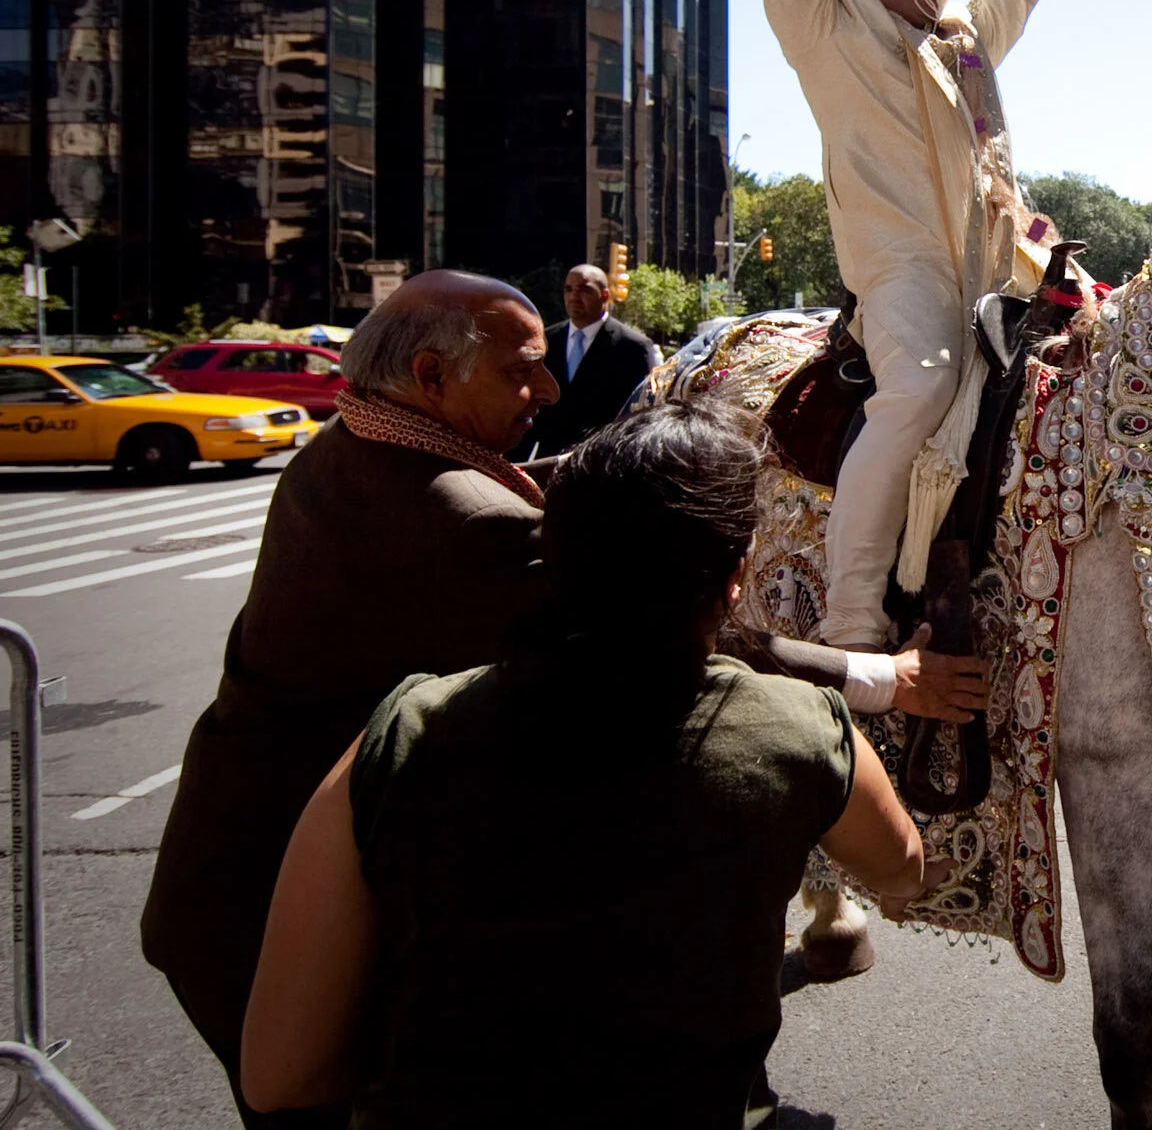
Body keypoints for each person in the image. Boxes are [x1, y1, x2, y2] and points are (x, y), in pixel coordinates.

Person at [239, 403, 927, 1129]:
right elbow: (902, 867)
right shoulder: (802, 728)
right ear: (736, 575)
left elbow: (281, 1073)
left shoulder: (406, 729)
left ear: (556, 551)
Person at [678, 0, 1092, 651]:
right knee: (919, 385)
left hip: (1002, 262)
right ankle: (855, 616)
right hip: (902, 275)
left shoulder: (962, 48)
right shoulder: (827, 22)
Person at [142, 271, 563, 1130]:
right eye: (523, 370)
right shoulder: (468, 526)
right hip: (291, 930)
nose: (548, 390)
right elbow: (658, 622)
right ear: (432, 377)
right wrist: (875, 675)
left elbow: (487, 486)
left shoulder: (353, 448)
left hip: (224, 890)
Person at [514, 262, 661, 459]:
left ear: (605, 295)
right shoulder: (547, 340)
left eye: (584, 290)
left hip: (602, 460)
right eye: (569, 289)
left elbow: (642, 412)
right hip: (548, 460)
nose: (574, 296)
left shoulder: (633, 347)